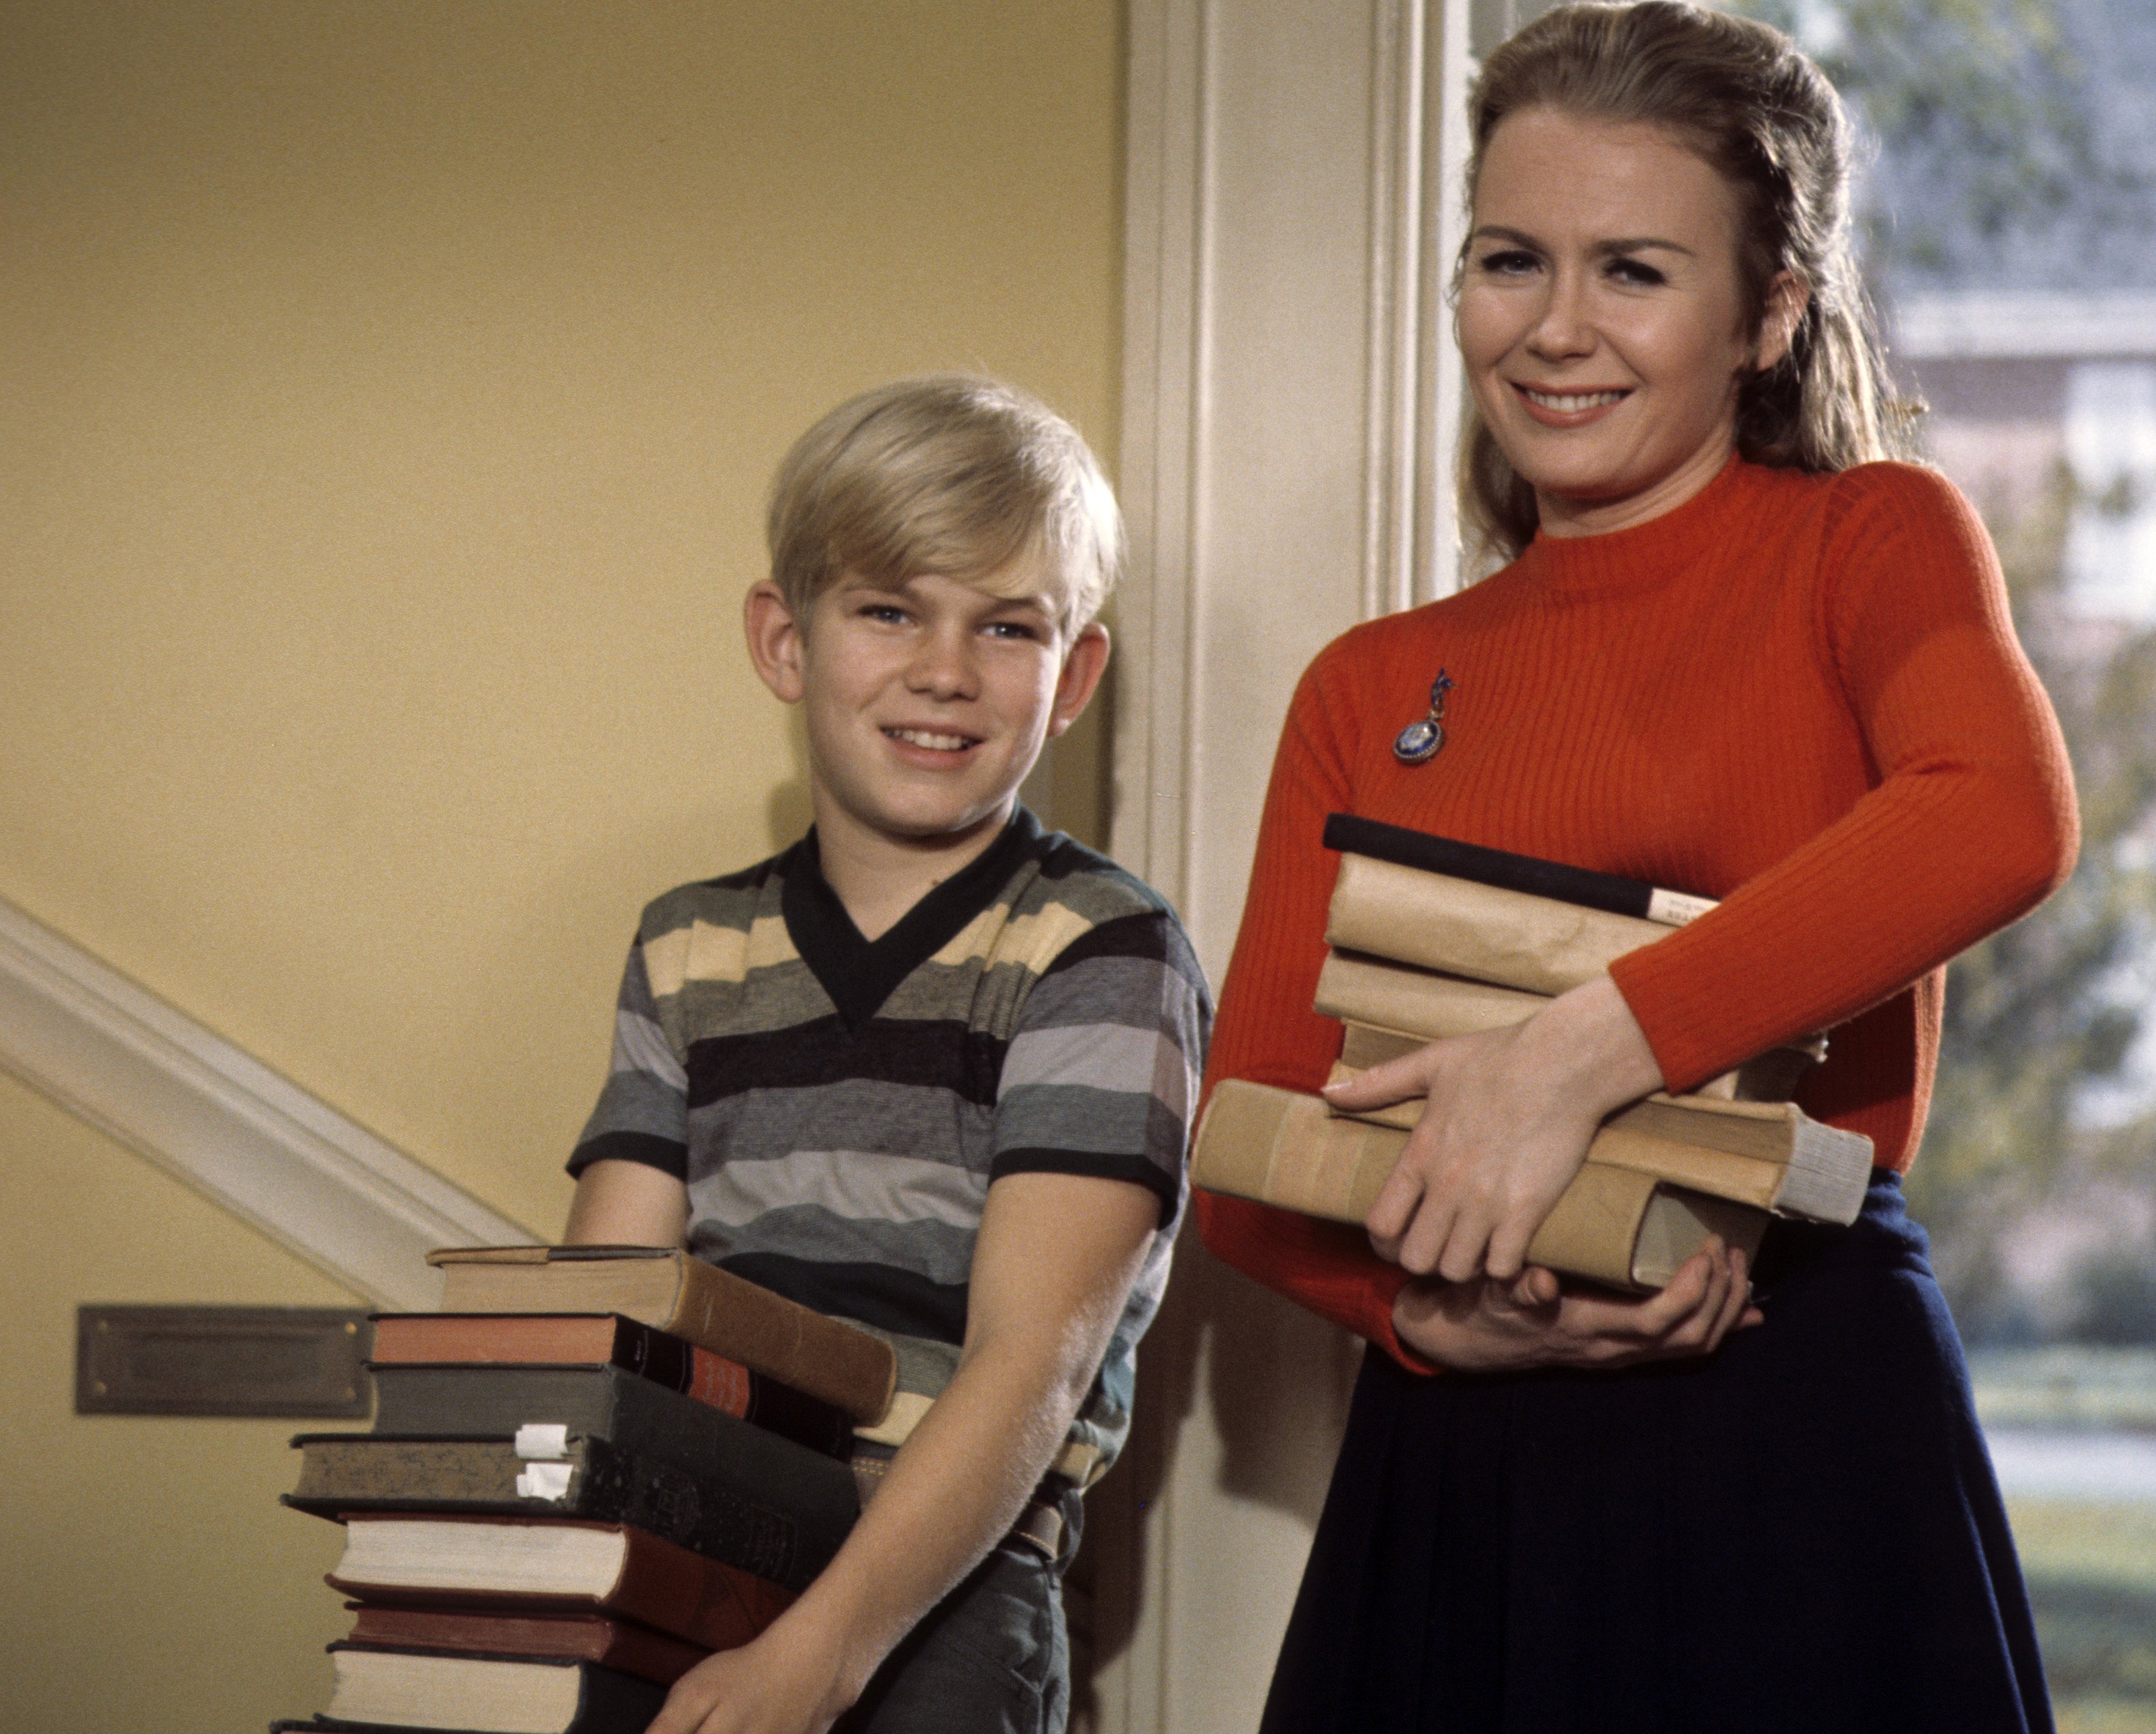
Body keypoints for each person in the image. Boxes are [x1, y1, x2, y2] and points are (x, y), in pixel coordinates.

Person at [1196, 5, 2078, 1730]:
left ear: (1766, 314)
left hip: (1791, 1418)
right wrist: (1422, 1322)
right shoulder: (1368, 685)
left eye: (1635, 272)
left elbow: (1999, 808)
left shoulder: (1866, 543)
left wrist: (1571, 1057)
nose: (1555, 330)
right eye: (1510, 260)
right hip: (1462, 1457)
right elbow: (1246, 1146)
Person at [562, 376, 1210, 1734]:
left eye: (1007, 626)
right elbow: (608, 1315)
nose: (943, 670)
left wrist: (820, 1656)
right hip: (685, 1523)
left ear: (1073, 673)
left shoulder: (1099, 950)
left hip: (938, 1578)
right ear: (783, 641)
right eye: (887, 608)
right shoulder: (687, 948)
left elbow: (1028, 1361)